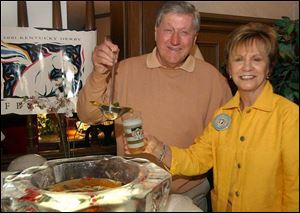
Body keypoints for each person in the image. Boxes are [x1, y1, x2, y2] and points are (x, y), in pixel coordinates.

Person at [77, 1, 232, 210]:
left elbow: (224, 146)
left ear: (195, 38)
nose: (175, 40)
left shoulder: (214, 80)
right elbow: (88, 115)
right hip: (133, 195)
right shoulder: (125, 71)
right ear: (156, 31)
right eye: (168, 30)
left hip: (189, 195)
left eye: (184, 32)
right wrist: (99, 72)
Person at [143, 22, 299, 212]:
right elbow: (198, 159)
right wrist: (160, 149)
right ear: (230, 70)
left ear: (269, 68)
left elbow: (295, 189)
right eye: (239, 60)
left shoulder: (289, 116)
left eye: (257, 59)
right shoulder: (222, 116)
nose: (247, 67)